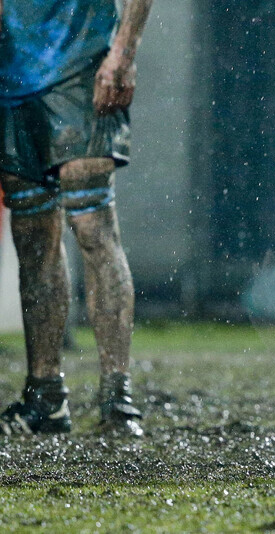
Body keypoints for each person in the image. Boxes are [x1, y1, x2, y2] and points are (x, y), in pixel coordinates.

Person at [0, 0, 153, 435]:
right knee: (31, 235)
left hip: (84, 65)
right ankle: (45, 396)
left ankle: (117, 400)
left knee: (92, 225)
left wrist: (124, 51)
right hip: (11, 76)